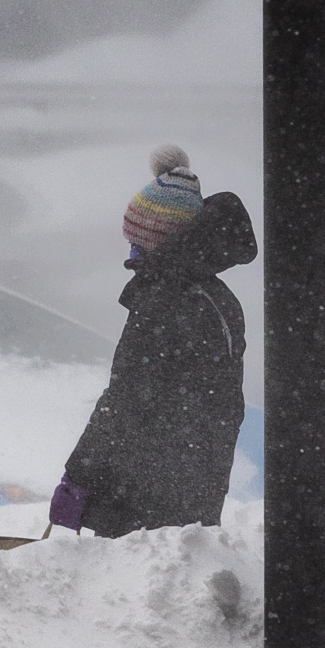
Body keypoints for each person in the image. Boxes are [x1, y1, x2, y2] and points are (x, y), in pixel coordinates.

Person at [53, 145, 258, 538]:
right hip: (192, 491)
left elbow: (126, 399)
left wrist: (78, 478)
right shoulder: (214, 297)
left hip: (146, 495)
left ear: (158, 242)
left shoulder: (165, 301)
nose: (131, 252)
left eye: (137, 241)